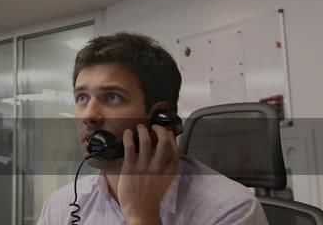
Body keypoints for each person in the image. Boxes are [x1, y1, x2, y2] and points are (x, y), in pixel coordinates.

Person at [37, 32, 268, 225]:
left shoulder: (230, 210)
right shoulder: (62, 206)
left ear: (158, 119)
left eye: (112, 97)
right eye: (82, 98)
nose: (89, 115)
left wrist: (142, 217)